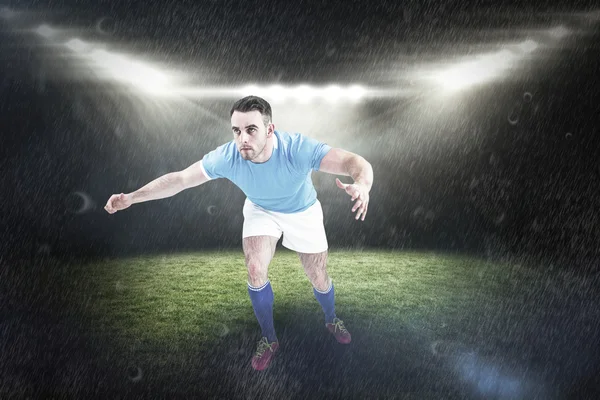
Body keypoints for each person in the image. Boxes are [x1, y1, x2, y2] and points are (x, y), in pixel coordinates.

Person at [104, 95, 374, 371]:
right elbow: (181, 179)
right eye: (237, 131)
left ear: (270, 130)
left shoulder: (298, 149)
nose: (242, 138)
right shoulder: (228, 156)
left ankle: (331, 318)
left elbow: (354, 162)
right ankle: (269, 339)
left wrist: (362, 184)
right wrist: (132, 197)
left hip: (302, 211)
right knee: (255, 267)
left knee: (318, 275)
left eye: (251, 129)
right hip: (261, 209)